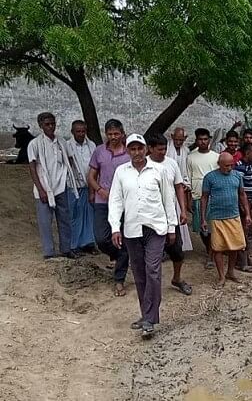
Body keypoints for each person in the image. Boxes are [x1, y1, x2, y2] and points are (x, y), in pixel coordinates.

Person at [109, 134, 177, 338]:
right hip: (131, 229)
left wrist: (171, 227)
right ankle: (146, 315)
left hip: (155, 228)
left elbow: (168, 198)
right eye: (132, 149)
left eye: (140, 149)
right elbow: (115, 201)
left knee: (153, 270)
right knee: (139, 273)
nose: (137, 153)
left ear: (146, 149)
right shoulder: (121, 172)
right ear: (128, 151)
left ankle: (149, 318)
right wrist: (115, 227)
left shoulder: (159, 170)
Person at [27, 112, 79, 260]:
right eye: (47, 124)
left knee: (64, 219)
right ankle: (49, 252)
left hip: (60, 186)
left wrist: (72, 177)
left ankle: (66, 249)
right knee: (45, 221)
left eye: (52, 124)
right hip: (43, 188)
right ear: (40, 125)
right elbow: (32, 167)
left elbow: (69, 160)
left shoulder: (62, 141)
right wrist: (41, 189)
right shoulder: (35, 144)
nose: (50, 127)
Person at [88, 119, 131, 296]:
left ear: (122, 133)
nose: (113, 137)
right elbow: (90, 176)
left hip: (125, 204)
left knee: (124, 240)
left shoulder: (130, 152)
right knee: (101, 238)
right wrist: (99, 190)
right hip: (103, 202)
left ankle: (119, 280)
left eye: (116, 134)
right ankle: (119, 255)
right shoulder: (99, 151)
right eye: (110, 134)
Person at [146, 134, 192, 295]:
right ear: (150, 148)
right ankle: (150, 285)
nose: (163, 152)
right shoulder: (144, 165)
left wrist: (183, 210)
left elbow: (179, 187)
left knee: (177, 250)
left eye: (165, 148)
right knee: (152, 253)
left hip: (171, 215)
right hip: (151, 217)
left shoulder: (171, 163)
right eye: (159, 149)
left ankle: (177, 278)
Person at [201, 153, 252, 286]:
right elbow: (204, 197)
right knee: (218, 248)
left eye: (231, 165)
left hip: (234, 216)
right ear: (219, 164)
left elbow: (242, 195)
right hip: (217, 218)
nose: (229, 168)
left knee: (235, 247)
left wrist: (247, 214)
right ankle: (221, 276)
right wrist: (203, 218)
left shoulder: (237, 176)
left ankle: (230, 272)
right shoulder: (210, 177)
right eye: (226, 166)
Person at [187, 128, 219, 264]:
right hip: (197, 196)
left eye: (205, 139)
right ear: (196, 141)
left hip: (214, 197)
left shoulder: (216, 157)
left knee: (213, 228)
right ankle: (209, 249)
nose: (203, 142)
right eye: (200, 139)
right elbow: (188, 179)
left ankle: (212, 255)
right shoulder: (191, 157)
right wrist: (189, 199)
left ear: (209, 140)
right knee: (202, 228)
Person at [67, 120, 98, 255]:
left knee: (90, 215)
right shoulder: (67, 145)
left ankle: (88, 243)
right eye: (78, 131)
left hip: (89, 186)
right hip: (73, 186)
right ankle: (74, 245)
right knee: (75, 215)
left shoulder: (91, 145)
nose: (81, 134)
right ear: (72, 132)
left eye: (83, 131)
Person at [234, 144, 252, 272]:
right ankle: (242, 263)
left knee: (248, 231)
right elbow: (239, 190)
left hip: (248, 201)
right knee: (243, 232)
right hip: (242, 202)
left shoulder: (249, 165)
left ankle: (247, 259)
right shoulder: (239, 166)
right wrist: (244, 206)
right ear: (247, 153)